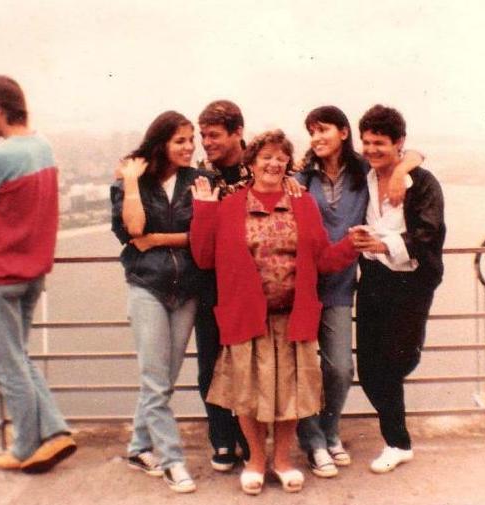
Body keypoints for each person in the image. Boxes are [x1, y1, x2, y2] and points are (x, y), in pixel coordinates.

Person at [190, 129, 362, 495]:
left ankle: (282, 460)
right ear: (251, 163)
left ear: (288, 165)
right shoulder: (231, 205)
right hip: (246, 317)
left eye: (281, 158)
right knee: (247, 394)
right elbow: (204, 257)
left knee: (291, 395)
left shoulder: (303, 203)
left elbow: (323, 259)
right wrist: (204, 210)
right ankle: (255, 460)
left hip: (292, 316)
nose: (274, 163)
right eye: (266, 157)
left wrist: (351, 245)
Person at [0, 75, 76, 473]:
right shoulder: (43, 147)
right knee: (19, 356)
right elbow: (18, 204)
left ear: (0, 110)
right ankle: (55, 430)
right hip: (33, 271)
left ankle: (24, 447)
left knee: (9, 365)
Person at [294, 106, 424, 478]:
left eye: (323, 130)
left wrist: (401, 169)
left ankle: (330, 429)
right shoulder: (302, 177)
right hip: (301, 286)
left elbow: (412, 154)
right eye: (311, 132)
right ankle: (314, 441)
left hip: (340, 285)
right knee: (303, 368)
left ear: (343, 132)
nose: (316, 138)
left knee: (340, 368)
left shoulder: (362, 172)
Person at [110, 110, 200, 493]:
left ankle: (138, 448)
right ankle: (172, 460)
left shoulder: (198, 181)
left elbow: (203, 236)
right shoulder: (132, 181)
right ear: (161, 143)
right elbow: (133, 229)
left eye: (191, 139)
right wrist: (132, 182)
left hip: (187, 289)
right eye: (180, 141)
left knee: (164, 379)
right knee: (156, 379)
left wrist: (158, 239)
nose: (189, 147)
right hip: (147, 286)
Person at [353, 104, 445, 473]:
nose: (371, 149)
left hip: (411, 282)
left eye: (380, 143)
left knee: (398, 360)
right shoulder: (363, 175)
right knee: (368, 368)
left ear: (398, 143)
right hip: (373, 279)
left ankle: (397, 442)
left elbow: (428, 233)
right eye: (367, 142)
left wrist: (383, 244)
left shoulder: (422, 183)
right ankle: (397, 439)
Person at [194, 100, 251, 471]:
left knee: (249, 363)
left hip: (250, 283)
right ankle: (222, 439)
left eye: (213, 135)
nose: (206, 143)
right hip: (210, 282)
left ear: (237, 132)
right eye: (203, 136)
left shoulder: (262, 166)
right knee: (210, 364)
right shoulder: (200, 175)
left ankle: (249, 437)